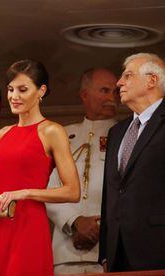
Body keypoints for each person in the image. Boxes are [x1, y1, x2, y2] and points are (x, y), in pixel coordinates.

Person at [0, 59, 80, 276]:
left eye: (23, 89)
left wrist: (24, 193)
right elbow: (3, 183)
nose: (14, 96)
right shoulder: (2, 134)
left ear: (41, 91)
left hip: (28, 225)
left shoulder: (52, 131)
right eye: (11, 89)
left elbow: (72, 191)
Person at [46, 68, 119, 274]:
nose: (112, 98)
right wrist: (76, 221)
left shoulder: (126, 134)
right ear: (84, 95)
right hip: (64, 252)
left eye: (115, 92)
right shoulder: (63, 134)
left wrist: (97, 228)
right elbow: (48, 189)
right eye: (105, 90)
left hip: (107, 252)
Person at [99, 53, 165, 272]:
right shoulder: (116, 132)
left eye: (127, 75)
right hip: (117, 252)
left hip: (157, 248)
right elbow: (111, 194)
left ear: (152, 80)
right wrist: (104, 253)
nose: (119, 83)